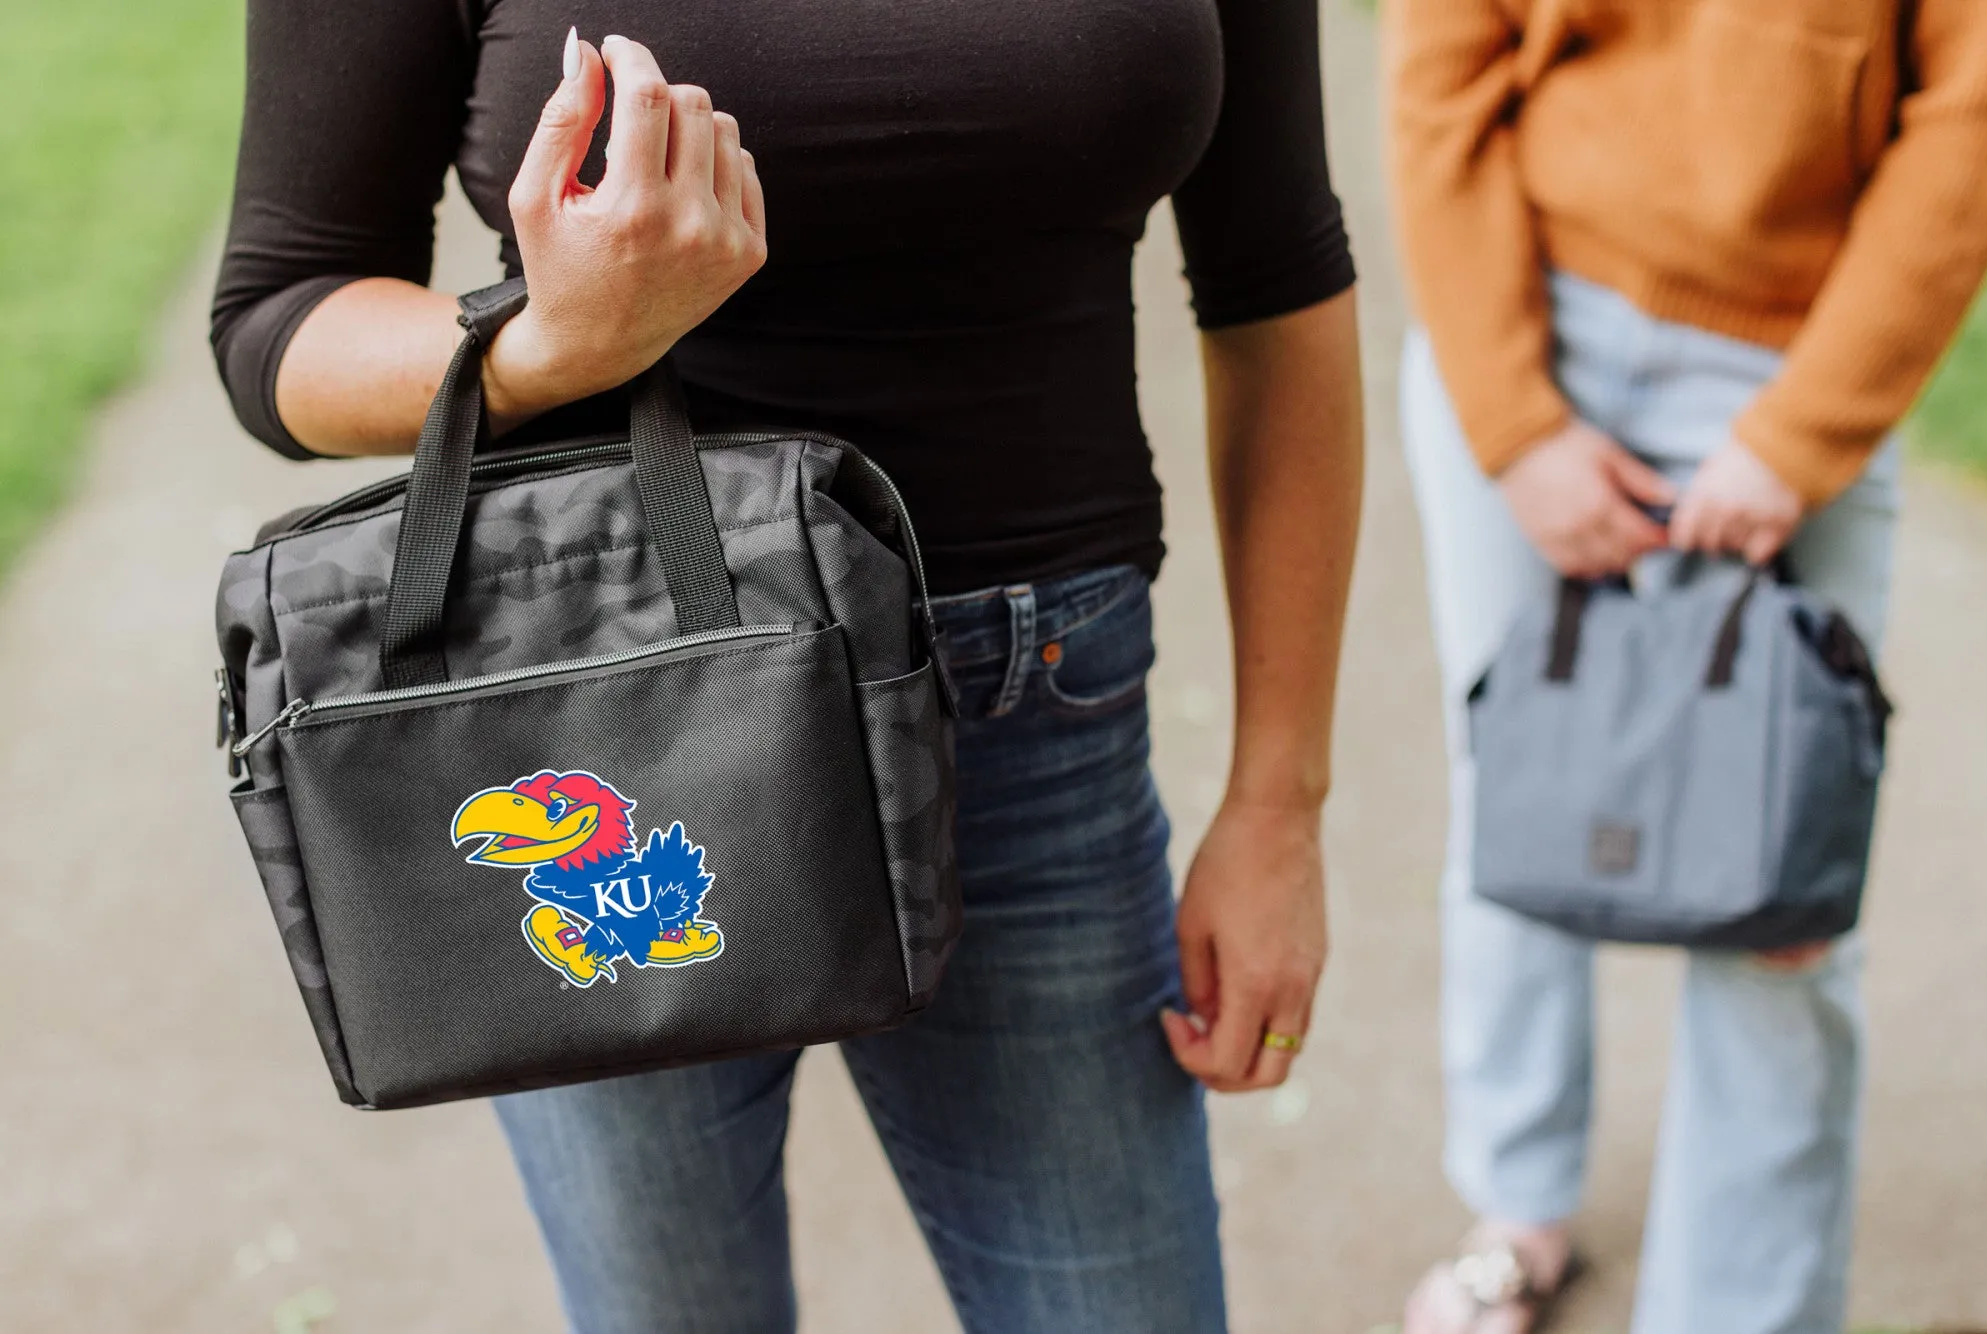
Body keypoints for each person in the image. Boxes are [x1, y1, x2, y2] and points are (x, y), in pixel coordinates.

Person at [211, 5, 1365, 1330]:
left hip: (1034, 723)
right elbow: (280, 318)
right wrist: (537, 350)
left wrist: (1283, 799)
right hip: (607, 742)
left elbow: (1280, 281)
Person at [1385, 1, 1987, 1330]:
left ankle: (1744, 1309)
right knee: (1516, 796)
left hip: (1798, 352)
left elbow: (1975, 109)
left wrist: (1801, 434)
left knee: (1783, 888)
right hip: (1527, 318)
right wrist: (1513, 421)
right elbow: (1439, 71)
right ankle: (1518, 1204)